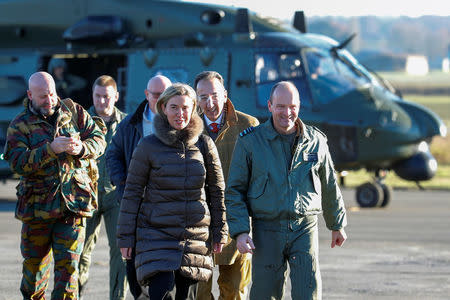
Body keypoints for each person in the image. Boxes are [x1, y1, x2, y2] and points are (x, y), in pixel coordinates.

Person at [225, 81, 347, 300]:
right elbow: (235, 190)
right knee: (265, 292)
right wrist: (241, 231)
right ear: (270, 106)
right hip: (266, 228)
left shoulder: (316, 141)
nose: (287, 112)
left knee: (307, 290)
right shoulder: (251, 142)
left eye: (292, 106)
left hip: (305, 227)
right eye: (281, 106)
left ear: (299, 106)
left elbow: (329, 183)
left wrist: (337, 225)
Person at [117, 83, 228, 300]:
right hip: (156, 237)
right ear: (163, 108)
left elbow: (217, 191)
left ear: (194, 108)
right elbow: (132, 193)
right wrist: (126, 238)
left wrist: (220, 231)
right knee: (162, 293)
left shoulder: (205, 145)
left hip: (195, 239)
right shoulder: (147, 145)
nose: (180, 113)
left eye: (185, 107)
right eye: (174, 107)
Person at [3, 71, 106, 299]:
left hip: (72, 208)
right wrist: (51, 150)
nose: (49, 100)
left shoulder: (74, 112)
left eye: (51, 94)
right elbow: (18, 163)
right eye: (42, 97)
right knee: (34, 272)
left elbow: (98, 138)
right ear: (30, 95)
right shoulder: (20, 125)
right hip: (37, 210)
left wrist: (81, 149)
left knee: (68, 272)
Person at [194, 71, 259, 300]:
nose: (209, 103)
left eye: (214, 95)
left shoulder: (248, 126)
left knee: (235, 290)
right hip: (198, 222)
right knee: (197, 292)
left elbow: (259, 175)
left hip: (237, 221)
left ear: (225, 95)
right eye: (203, 97)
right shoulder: (188, 128)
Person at [106, 74, 172, 299]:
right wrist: (123, 182)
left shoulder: (180, 123)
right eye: (156, 95)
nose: (162, 100)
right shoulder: (130, 125)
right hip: (136, 207)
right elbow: (112, 155)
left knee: (165, 275)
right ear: (146, 95)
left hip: (168, 210)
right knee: (135, 270)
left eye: (166, 95)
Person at [78, 75, 128, 299]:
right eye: (97, 96)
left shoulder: (127, 124)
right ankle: (74, 293)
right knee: (79, 250)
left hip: (115, 196)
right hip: (84, 196)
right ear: (92, 96)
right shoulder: (79, 122)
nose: (102, 101)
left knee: (121, 252)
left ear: (116, 97)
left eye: (106, 97)